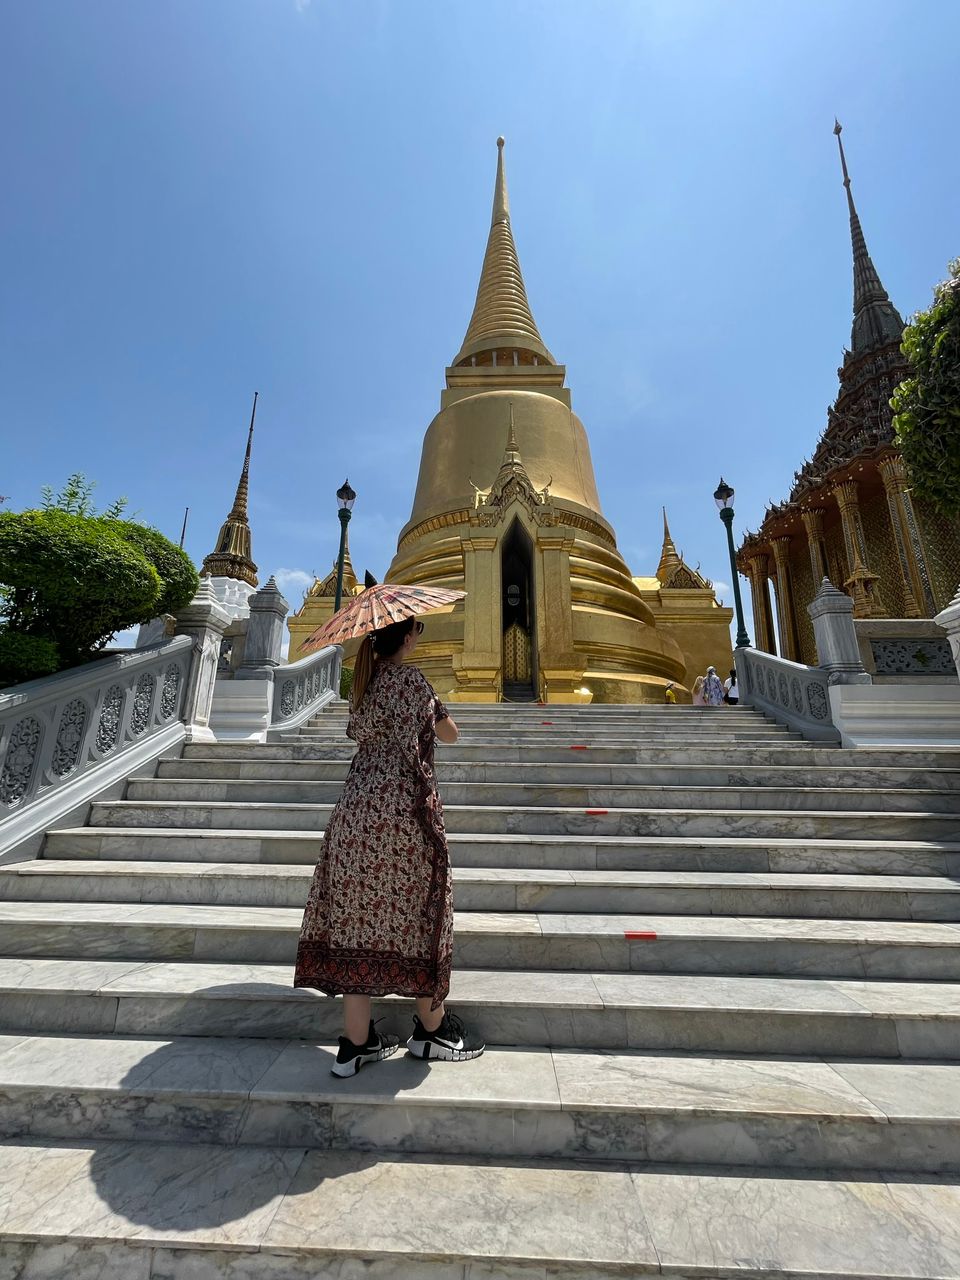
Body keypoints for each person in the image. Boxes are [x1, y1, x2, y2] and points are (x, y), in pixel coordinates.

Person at [294, 614, 485, 1077]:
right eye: (417, 630)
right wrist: (434, 704)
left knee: (356, 918)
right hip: (403, 812)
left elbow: (361, 731)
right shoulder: (413, 681)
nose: (420, 636)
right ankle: (433, 1029)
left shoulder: (365, 681)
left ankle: (355, 1045)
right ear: (408, 635)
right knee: (420, 910)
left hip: (355, 813)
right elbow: (450, 734)